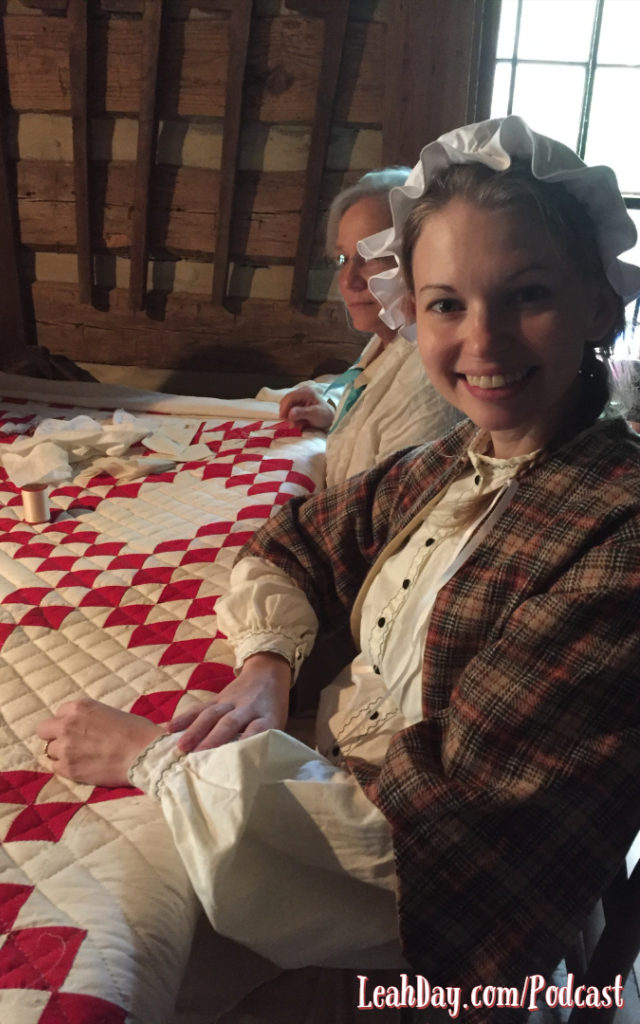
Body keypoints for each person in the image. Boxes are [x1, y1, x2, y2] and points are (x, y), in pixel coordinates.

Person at [37, 116, 640, 1020]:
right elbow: (295, 540)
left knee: (107, 957)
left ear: (601, 303)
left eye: (528, 295)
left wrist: (154, 759)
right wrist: (267, 664)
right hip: (327, 840)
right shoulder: (456, 464)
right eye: (446, 303)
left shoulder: (616, 531)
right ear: (412, 313)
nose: (483, 340)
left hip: (458, 946)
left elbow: (454, 835)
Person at [268, 168, 463, 486]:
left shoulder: (428, 379)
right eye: (343, 259)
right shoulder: (387, 339)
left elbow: (389, 511)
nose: (348, 280)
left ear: (422, 256)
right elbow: (380, 417)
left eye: (373, 257)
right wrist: (334, 414)